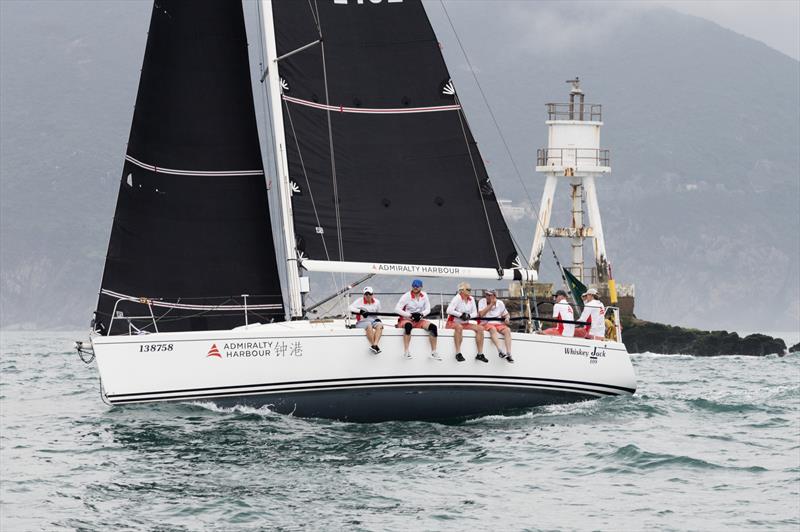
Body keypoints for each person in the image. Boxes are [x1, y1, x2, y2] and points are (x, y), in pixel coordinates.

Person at [394, 279, 440, 360]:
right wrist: (410, 315)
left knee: (433, 328)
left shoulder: (424, 295)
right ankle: (406, 352)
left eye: (417, 286)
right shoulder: (406, 296)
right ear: (412, 286)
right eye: (414, 286)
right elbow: (397, 309)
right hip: (406, 319)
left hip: (419, 320)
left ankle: (433, 352)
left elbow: (428, 309)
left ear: (421, 287)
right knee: (408, 326)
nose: (415, 287)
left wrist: (421, 315)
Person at [446, 282, 487, 362]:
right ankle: (458, 353)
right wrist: (461, 315)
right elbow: (449, 310)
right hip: (452, 322)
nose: (470, 291)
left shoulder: (471, 299)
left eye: (470, 289)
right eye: (468, 289)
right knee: (459, 327)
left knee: (481, 328)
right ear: (461, 290)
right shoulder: (457, 298)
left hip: (465, 323)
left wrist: (468, 316)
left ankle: (480, 354)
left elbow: (475, 313)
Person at [477, 289, 514, 363]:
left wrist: (507, 318)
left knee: (507, 330)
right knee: (493, 329)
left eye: (489, 295)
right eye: (486, 294)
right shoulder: (482, 301)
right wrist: (491, 304)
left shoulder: (500, 303)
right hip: (486, 323)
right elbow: (481, 314)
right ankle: (500, 350)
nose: (487, 296)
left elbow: (506, 314)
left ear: (494, 296)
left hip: (498, 323)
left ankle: (509, 354)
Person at [349, 286, 384, 354]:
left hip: (373, 320)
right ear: (364, 295)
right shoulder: (359, 301)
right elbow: (349, 308)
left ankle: (375, 345)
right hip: (361, 321)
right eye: (366, 294)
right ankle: (374, 345)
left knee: (380, 325)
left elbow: (379, 313)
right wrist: (360, 311)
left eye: (369, 294)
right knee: (368, 325)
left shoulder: (377, 302)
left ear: (372, 294)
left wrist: (378, 319)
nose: (368, 296)